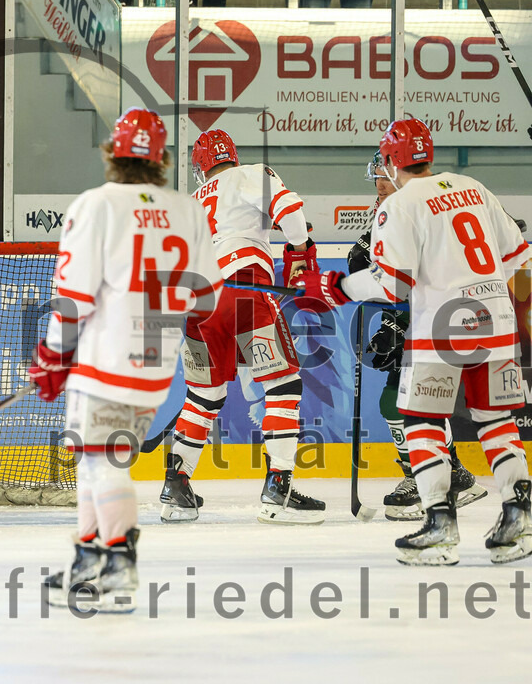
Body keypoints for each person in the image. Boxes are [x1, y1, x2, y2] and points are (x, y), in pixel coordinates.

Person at [297, 119, 532, 565]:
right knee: (496, 420)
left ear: (391, 160)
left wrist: (338, 287)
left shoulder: (400, 205)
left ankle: (440, 525)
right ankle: (519, 515)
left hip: (442, 324)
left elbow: (392, 286)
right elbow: (519, 254)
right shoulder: (473, 187)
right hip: (497, 319)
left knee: (422, 421)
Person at [30, 108, 222, 612]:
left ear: (112, 153)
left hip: (105, 356)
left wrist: (53, 353)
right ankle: (87, 559)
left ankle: (118, 560)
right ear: (161, 159)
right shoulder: (189, 209)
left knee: (101, 458)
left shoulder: (96, 204)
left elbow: (74, 295)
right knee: (94, 456)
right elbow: (207, 299)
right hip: (156, 360)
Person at [159, 128, 326, 525]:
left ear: (201, 168)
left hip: (197, 306)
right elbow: (292, 213)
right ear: (232, 156)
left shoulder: (189, 204)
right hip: (243, 288)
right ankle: (279, 490)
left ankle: (176, 488)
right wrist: (299, 250)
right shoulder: (252, 173)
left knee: (203, 396)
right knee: (283, 385)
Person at [348, 152, 486, 521]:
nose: (379, 182)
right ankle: (452, 475)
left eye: (385, 174)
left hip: (432, 315)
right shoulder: (391, 208)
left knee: (407, 400)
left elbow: (426, 272)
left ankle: (431, 478)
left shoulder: (419, 206)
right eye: (376, 175)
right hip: (411, 313)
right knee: (402, 399)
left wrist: (400, 324)